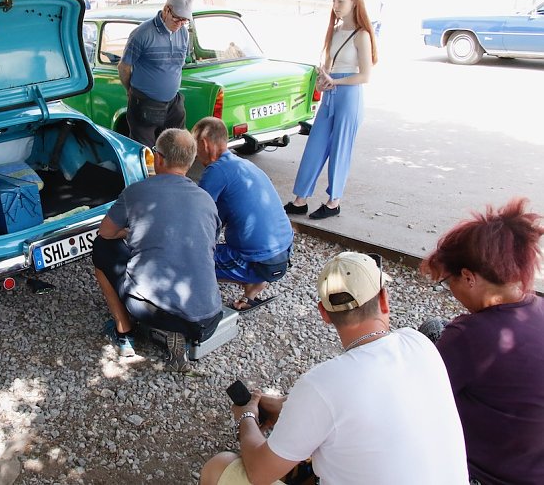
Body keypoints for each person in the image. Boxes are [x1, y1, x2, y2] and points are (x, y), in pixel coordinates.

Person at [200, 251, 468, 485]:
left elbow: (260, 473)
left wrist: (245, 417)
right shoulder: (419, 342)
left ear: (324, 313)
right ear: (384, 300)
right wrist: (285, 407)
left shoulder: (322, 383)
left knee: (220, 466)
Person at [419, 197, 544, 485]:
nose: (451, 292)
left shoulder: (470, 336)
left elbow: (414, 402)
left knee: (429, 335)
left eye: (448, 282)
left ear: (469, 277)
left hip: (481, 475)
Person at [92, 128, 223, 371]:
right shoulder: (206, 199)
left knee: (100, 249)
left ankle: (125, 334)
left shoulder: (136, 192)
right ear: (191, 160)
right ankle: (180, 337)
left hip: (155, 311)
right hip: (210, 316)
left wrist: (129, 232)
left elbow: (105, 233)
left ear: (158, 158)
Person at [284, 0, 377, 220]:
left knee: (340, 150)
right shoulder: (334, 32)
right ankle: (300, 199)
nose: (335, 5)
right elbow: (327, 66)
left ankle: (334, 201)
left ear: (354, 2)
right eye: (334, 0)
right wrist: (322, 82)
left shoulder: (362, 35)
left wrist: (335, 82)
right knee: (315, 145)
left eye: (340, 0)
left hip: (348, 95)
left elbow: (365, 75)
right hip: (331, 92)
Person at [192, 117, 293, 312]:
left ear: (204, 144)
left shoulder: (216, 171)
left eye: (196, 148)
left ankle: (243, 278)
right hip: (283, 253)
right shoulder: (244, 165)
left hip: (260, 261)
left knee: (189, 259)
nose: (195, 155)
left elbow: (196, 216)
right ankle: (252, 288)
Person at [117, 0, 192, 147]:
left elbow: (177, 65)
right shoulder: (142, 33)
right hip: (144, 102)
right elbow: (124, 67)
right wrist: (131, 90)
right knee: (144, 152)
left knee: (177, 148)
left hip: (173, 102)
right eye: (177, 18)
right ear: (166, 9)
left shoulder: (183, 33)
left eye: (184, 20)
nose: (179, 24)